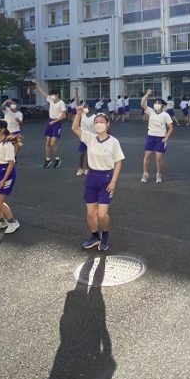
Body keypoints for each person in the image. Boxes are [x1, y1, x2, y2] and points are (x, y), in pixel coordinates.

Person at [70, 88, 124, 253]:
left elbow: (118, 162)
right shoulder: (90, 138)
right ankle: (95, 236)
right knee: (90, 214)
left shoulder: (113, 142)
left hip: (106, 178)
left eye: (101, 122)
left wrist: (113, 181)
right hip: (91, 177)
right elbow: (75, 128)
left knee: (101, 214)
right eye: (96, 122)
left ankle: (105, 234)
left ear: (107, 124)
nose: (98, 124)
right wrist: (78, 114)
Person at [139, 89, 174, 184]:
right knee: (147, 156)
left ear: (162, 105)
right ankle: (145, 173)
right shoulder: (151, 111)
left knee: (158, 158)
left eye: (158, 103)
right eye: (155, 103)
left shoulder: (165, 115)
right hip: (151, 136)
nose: (156, 104)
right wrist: (147, 94)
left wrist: (166, 137)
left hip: (161, 138)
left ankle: (158, 174)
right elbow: (142, 104)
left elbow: (171, 127)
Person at [36, 79, 67, 168]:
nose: (51, 96)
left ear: (57, 95)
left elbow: (64, 116)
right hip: (50, 121)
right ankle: (48, 160)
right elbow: (42, 92)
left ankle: (57, 159)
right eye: (51, 95)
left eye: (53, 95)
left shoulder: (61, 103)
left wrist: (54, 121)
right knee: (47, 142)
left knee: (53, 143)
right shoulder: (50, 100)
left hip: (56, 123)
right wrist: (37, 83)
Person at [75, 100, 95, 176]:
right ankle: (81, 169)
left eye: (86, 107)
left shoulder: (94, 117)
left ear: (90, 109)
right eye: (84, 107)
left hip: (91, 138)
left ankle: (87, 168)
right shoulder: (82, 114)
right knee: (81, 154)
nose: (85, 108)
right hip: (83, 138)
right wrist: (76, 93)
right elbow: (78, 105)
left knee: (89, 154)